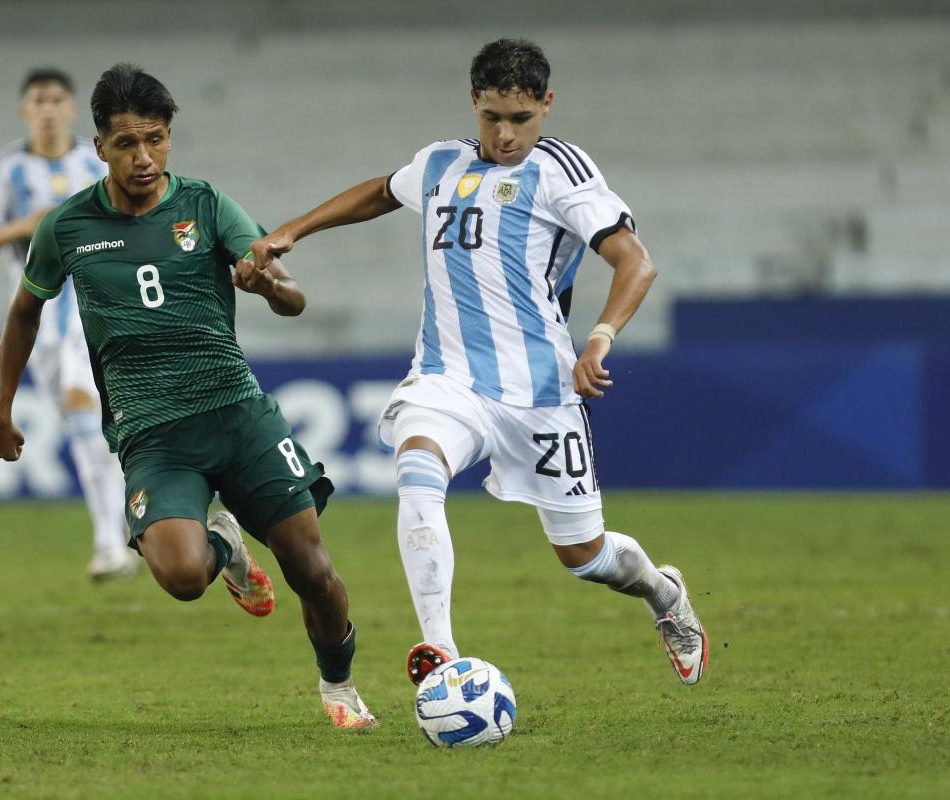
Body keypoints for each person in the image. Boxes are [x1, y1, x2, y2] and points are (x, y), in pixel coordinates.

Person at [246, 38, 708, 687]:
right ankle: (441, 651)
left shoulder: (561, 171)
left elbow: (636, 260)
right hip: (447, 377)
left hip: (539, 388)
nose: (506, 133)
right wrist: (292, 229)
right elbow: (381, 191)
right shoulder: (440, 163)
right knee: (418, 470)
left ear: (546, 106)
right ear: (474, 103)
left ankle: (664, 594)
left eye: (521, 118)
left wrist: (600, 337)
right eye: (493, 117)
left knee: (584, 555)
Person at [0, 63, 377, 728]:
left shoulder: (206, 205)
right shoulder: (67, 227)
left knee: (310, 566)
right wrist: (1, 408)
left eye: (158, 140)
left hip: (236, 415)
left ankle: (339, 688)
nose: (145, 158)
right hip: (152, 431)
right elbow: (25, 312)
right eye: (128, 144)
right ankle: (221, 544)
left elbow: (293, 297)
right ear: (99, 147)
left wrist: (269, 287)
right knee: (182, 576)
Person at [0, 67, 138, 581]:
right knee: (88, 427)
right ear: (25, 110)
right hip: (36, 314)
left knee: (85, 409)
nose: (46, 108)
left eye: (56, 99)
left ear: (70, 108)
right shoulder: (5, 169)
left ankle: (112, 544)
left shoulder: (95, 159)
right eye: (37, 99)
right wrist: (29, 224)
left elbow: (134, 215)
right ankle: (126, 527)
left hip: (96, 307)